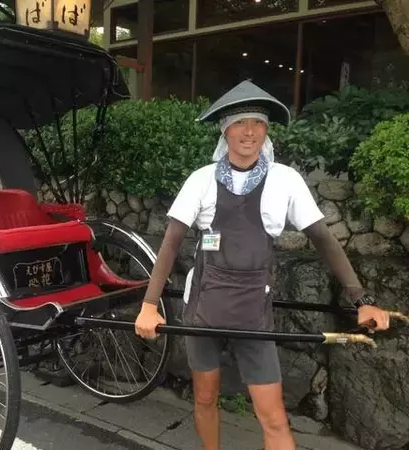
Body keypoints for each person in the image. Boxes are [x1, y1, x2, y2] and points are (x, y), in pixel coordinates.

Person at [134, 80, 390, 450]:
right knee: (204, 398)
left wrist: (361, 299)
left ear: (267, 130)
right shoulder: (201, 180)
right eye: (239, 122)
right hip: (204, 308)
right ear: (225, 130)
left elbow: (324, 239)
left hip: (253, 311)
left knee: (274, 417)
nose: (249, 131)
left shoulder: (285, 180)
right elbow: (171, 243)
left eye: (258, 122)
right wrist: (148, 305)